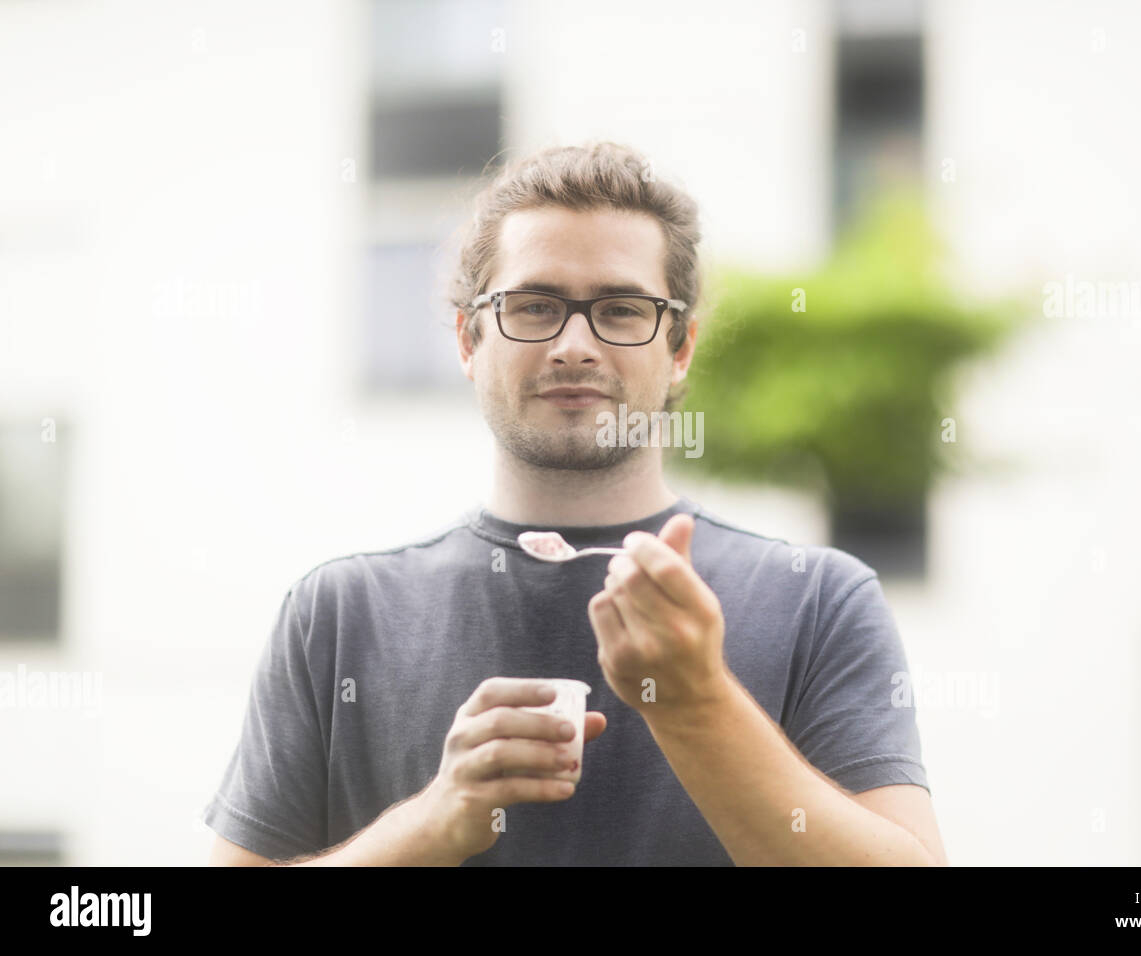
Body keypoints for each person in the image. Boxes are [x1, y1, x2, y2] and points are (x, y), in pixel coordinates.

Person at [204, 141, 947, 866]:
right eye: (534, 305)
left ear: (681, 346)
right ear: (468, 339)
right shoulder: (336, 615)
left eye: (621, 310)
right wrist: (431, 825)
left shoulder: (816, 600)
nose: (574, 345)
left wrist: (697, 704)